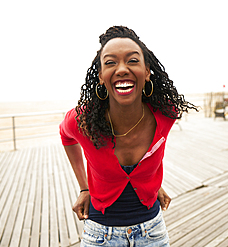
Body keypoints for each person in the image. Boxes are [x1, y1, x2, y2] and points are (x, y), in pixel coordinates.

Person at [59, 26, 198, 247]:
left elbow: (150, 158)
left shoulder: (166, 114)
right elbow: (65, 137)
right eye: (110, 62)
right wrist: (84, 187)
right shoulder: (82, 121)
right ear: (101, 76)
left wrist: (151, 184)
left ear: (147, 71)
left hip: (152, 233)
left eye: (132, 61)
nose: (122, 69)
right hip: (100, 235)